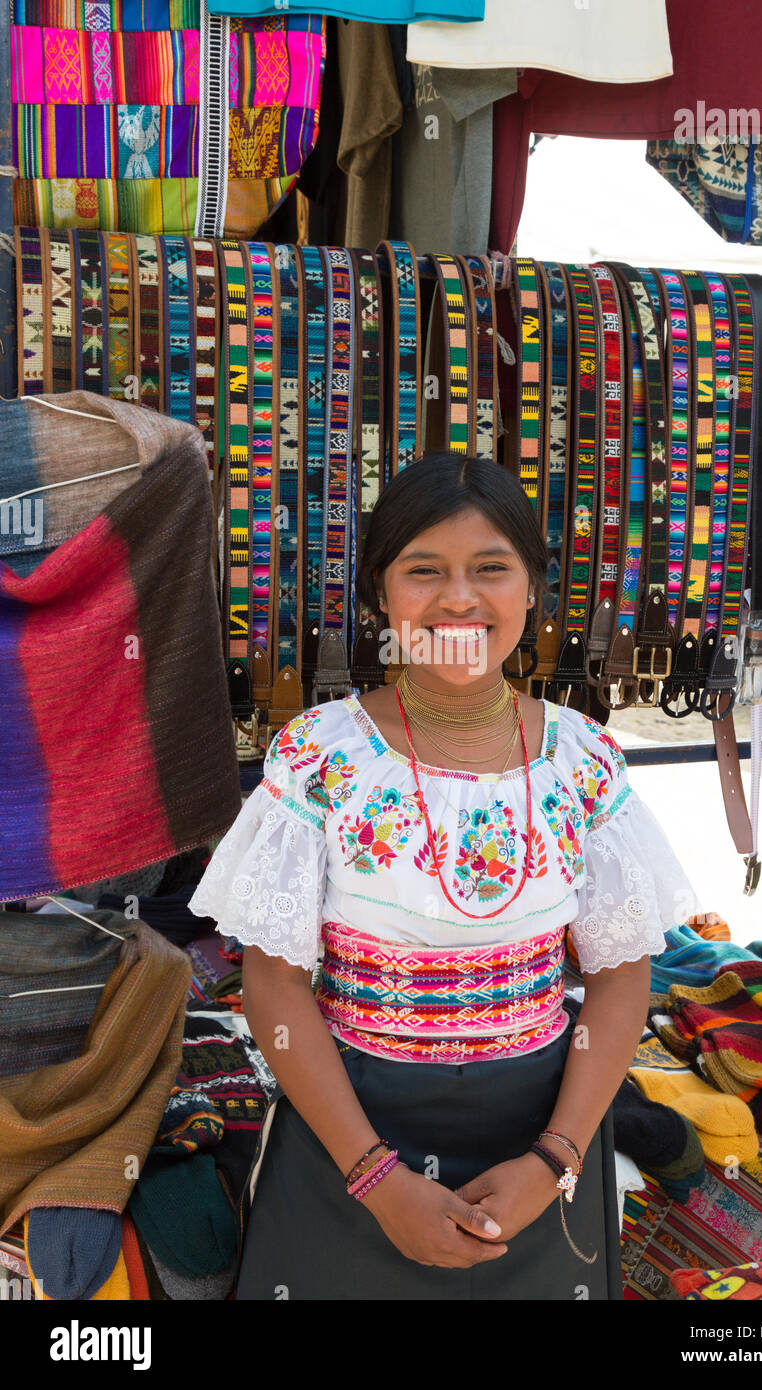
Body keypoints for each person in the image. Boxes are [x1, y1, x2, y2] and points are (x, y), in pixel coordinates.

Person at [190, 452, 699, 1299]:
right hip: (349, 1135)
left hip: (539, 1136)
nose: (459, 598)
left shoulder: (586, 761)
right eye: (423, 571)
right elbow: (275, 988)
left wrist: (555, 1162)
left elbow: (620, 974)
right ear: (381, 597)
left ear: (532, 589)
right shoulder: (321, 756)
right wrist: (375, 1180)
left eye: (491, 569)